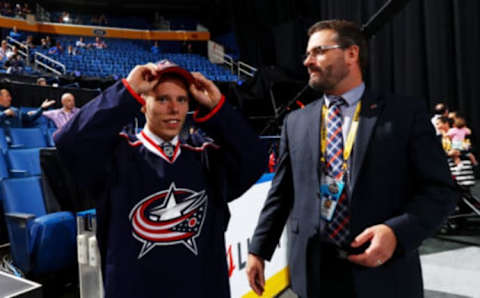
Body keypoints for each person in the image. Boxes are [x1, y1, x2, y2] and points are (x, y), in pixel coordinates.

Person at [246, 19, 457, 298]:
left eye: (319, 51)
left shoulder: (404, 114)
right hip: (315, 272)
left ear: (351, 53)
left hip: (384, 273)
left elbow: (440, 190)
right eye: (307, 54)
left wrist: (396, 232)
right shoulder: (295, 122)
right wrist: (258, 250)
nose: (308, 61)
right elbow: (281, 193)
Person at [54, 60, 267, 298]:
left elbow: (255, 157)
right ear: (143, 104)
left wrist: (218, 108)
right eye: (163, 99)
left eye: (182, 100)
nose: (174, 109)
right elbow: (68, 141)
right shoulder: (115, 156)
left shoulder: (205, 158)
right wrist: (126, 91)